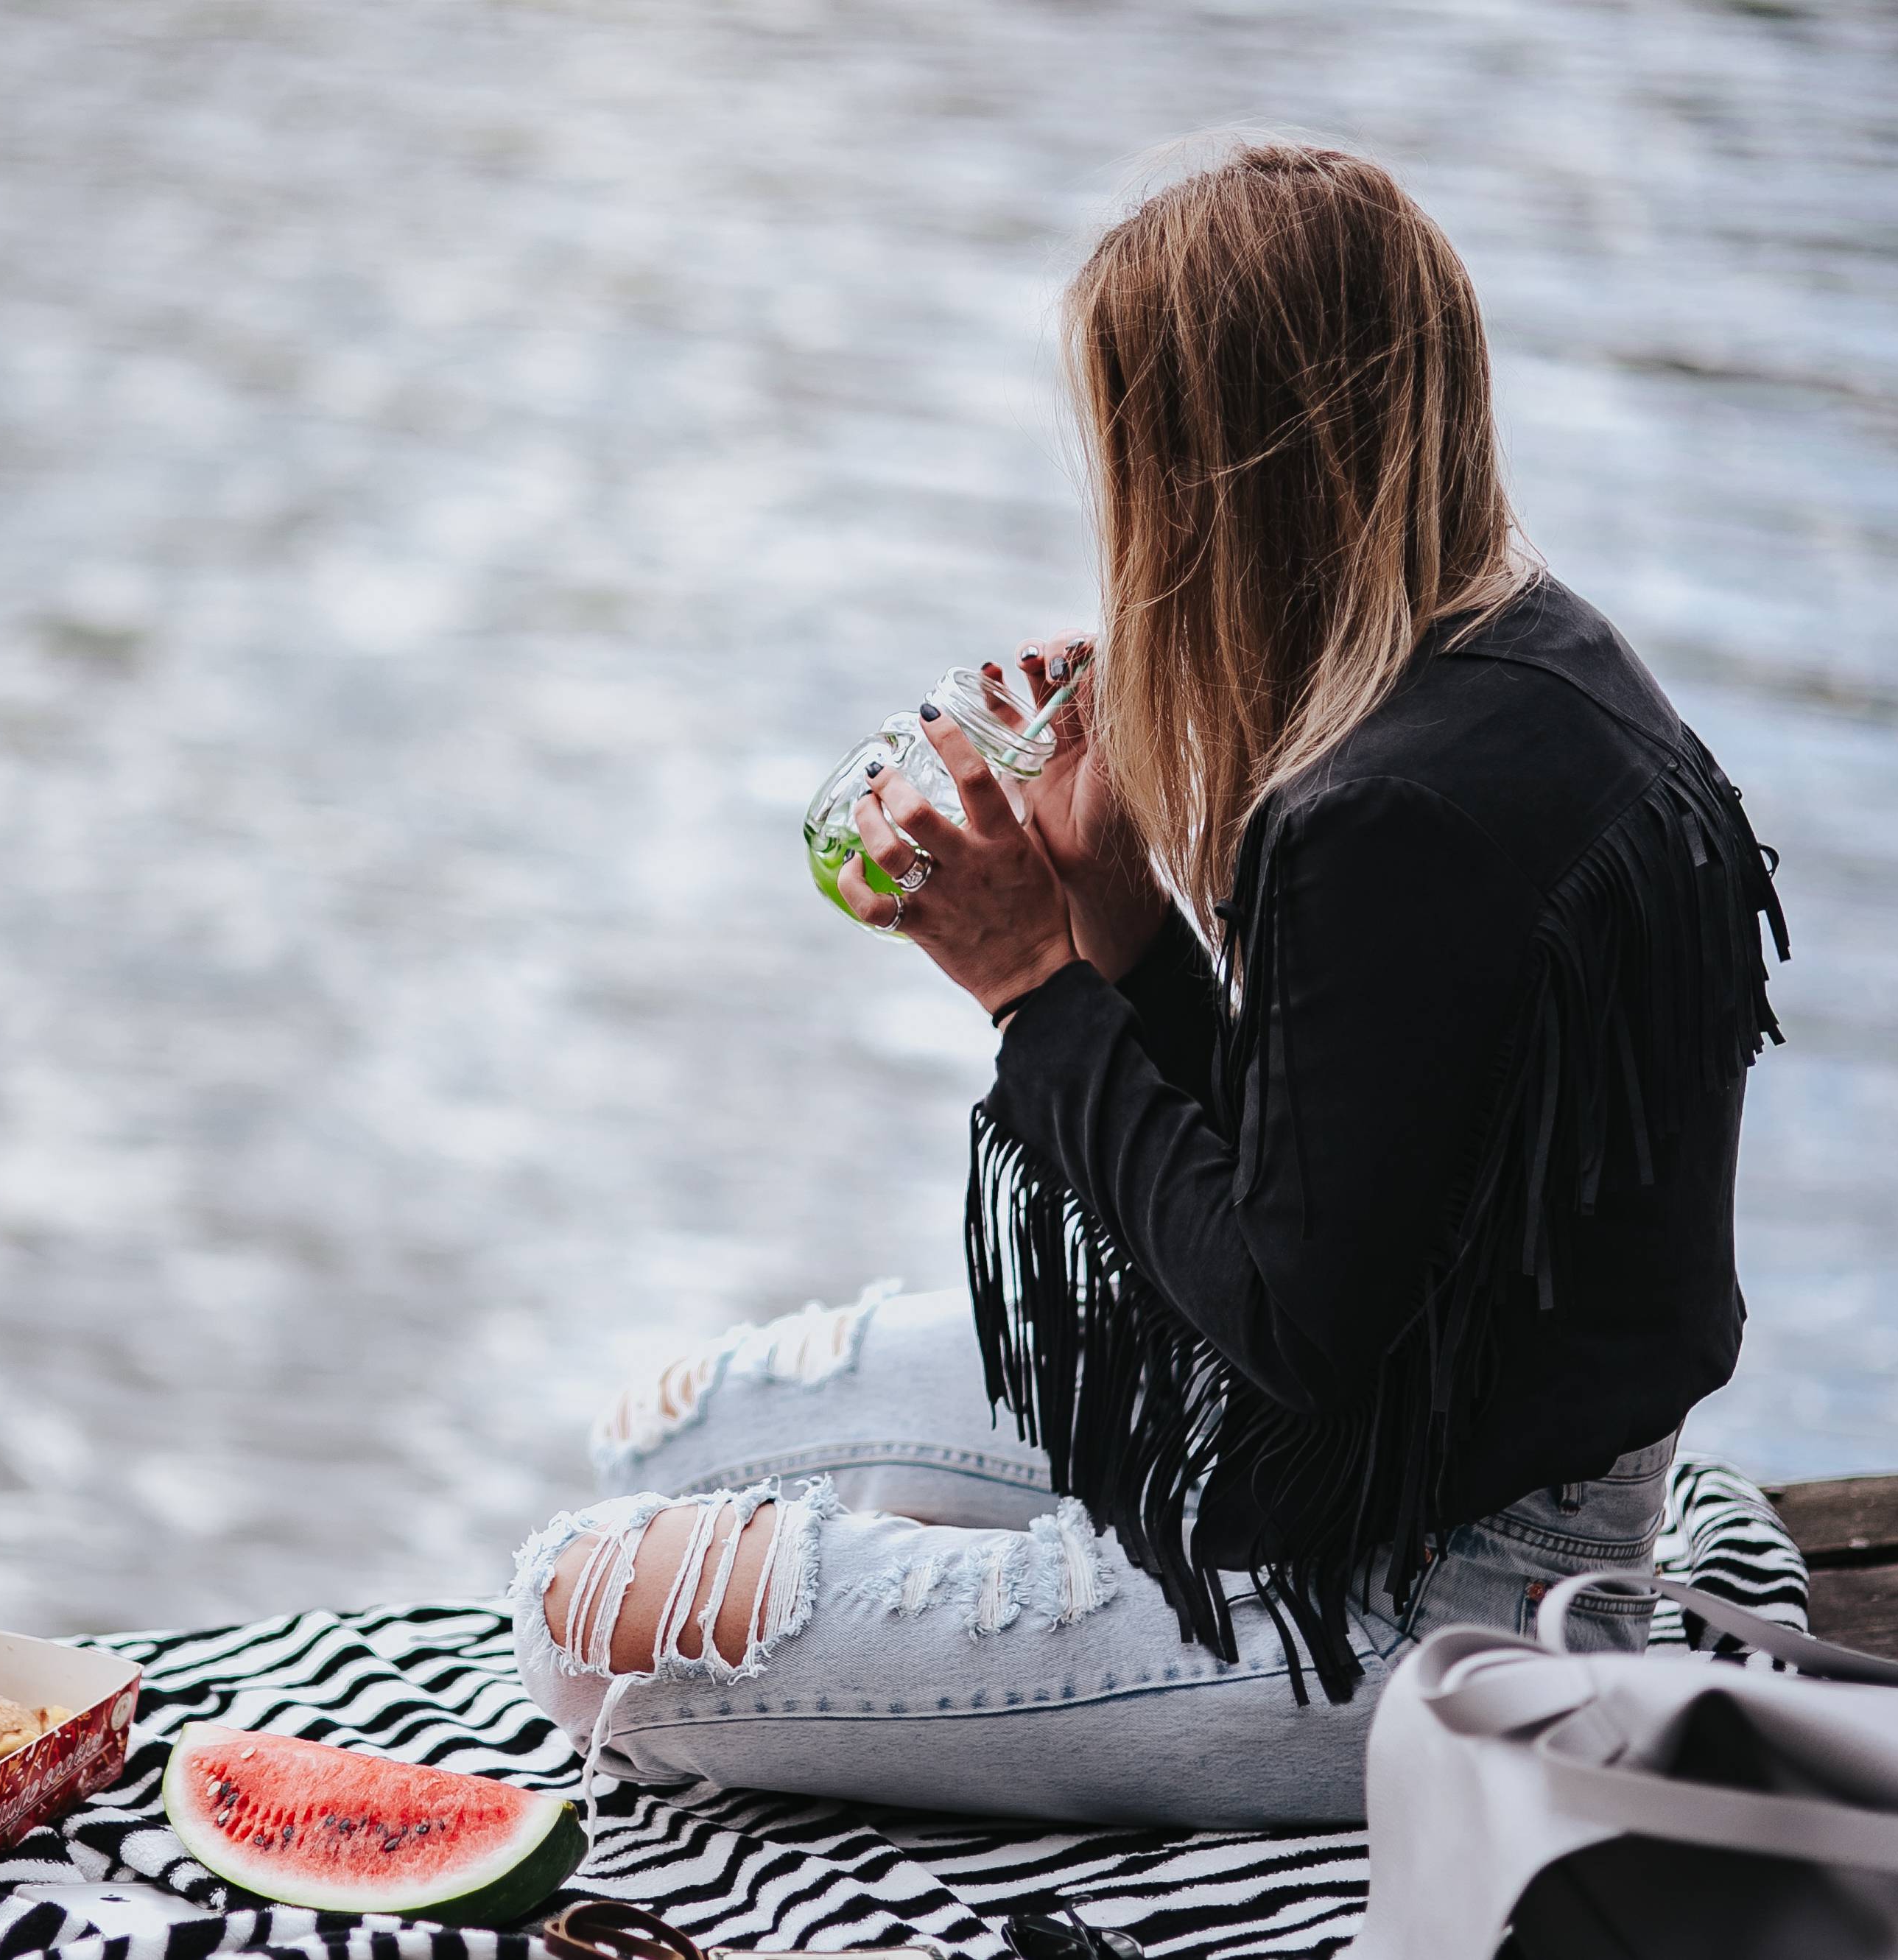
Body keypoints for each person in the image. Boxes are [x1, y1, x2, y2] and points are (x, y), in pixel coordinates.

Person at [507, 141, 1788, 1828]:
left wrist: (1031, 983)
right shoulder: (1529, 656)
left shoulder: (1378, 812)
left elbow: (1286, 1328)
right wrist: (1115, 912)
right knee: (672, 1436)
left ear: (1206, 475)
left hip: (1423, 1609)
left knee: (580, 1617)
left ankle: (1069, 1631)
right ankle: (1009, 1611)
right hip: (1398, 1457)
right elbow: (1344, 1196)